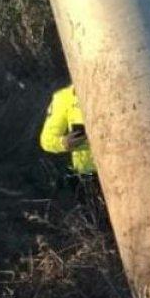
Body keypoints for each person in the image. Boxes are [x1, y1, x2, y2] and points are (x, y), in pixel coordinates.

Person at [39, 84, 103, 221]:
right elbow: (46, 140)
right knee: (100, 225)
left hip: (128, 170)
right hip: (88, 176)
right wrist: (64, 143)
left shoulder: (124, 88)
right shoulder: (64, 97)